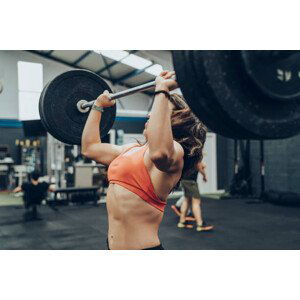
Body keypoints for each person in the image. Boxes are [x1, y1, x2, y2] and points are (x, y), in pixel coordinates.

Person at [82, 70, 207, 250]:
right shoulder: (131, 149)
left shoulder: (175, 152)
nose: (150, 115)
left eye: (161, 110)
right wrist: (98, 107)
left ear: (175, 120)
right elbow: (90, 148)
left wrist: (162, 90)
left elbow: (159, 153)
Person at [177, 161, 214, 231]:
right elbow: (199, 167)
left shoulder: (186, 154)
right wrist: (204, 176)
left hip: (184, 180)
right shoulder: (196, 154)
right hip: (191, 182)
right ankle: (200, 224)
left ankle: (182, 222)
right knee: (196, 202)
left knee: (186, 200)